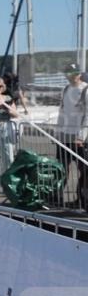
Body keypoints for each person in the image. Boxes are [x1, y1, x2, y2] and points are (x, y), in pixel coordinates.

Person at [57, 63, 88, 209]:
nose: (71, 75)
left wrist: (82, 135)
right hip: (65, 136)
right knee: (61, 169)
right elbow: (62, 112)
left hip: (81, 137)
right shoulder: (66, 89)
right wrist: (58, 133)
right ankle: (56, 197)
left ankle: (81, 199)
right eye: (68, 72)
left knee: (84, 170)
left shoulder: (85, 89)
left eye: (74, 72)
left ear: (79, 73)